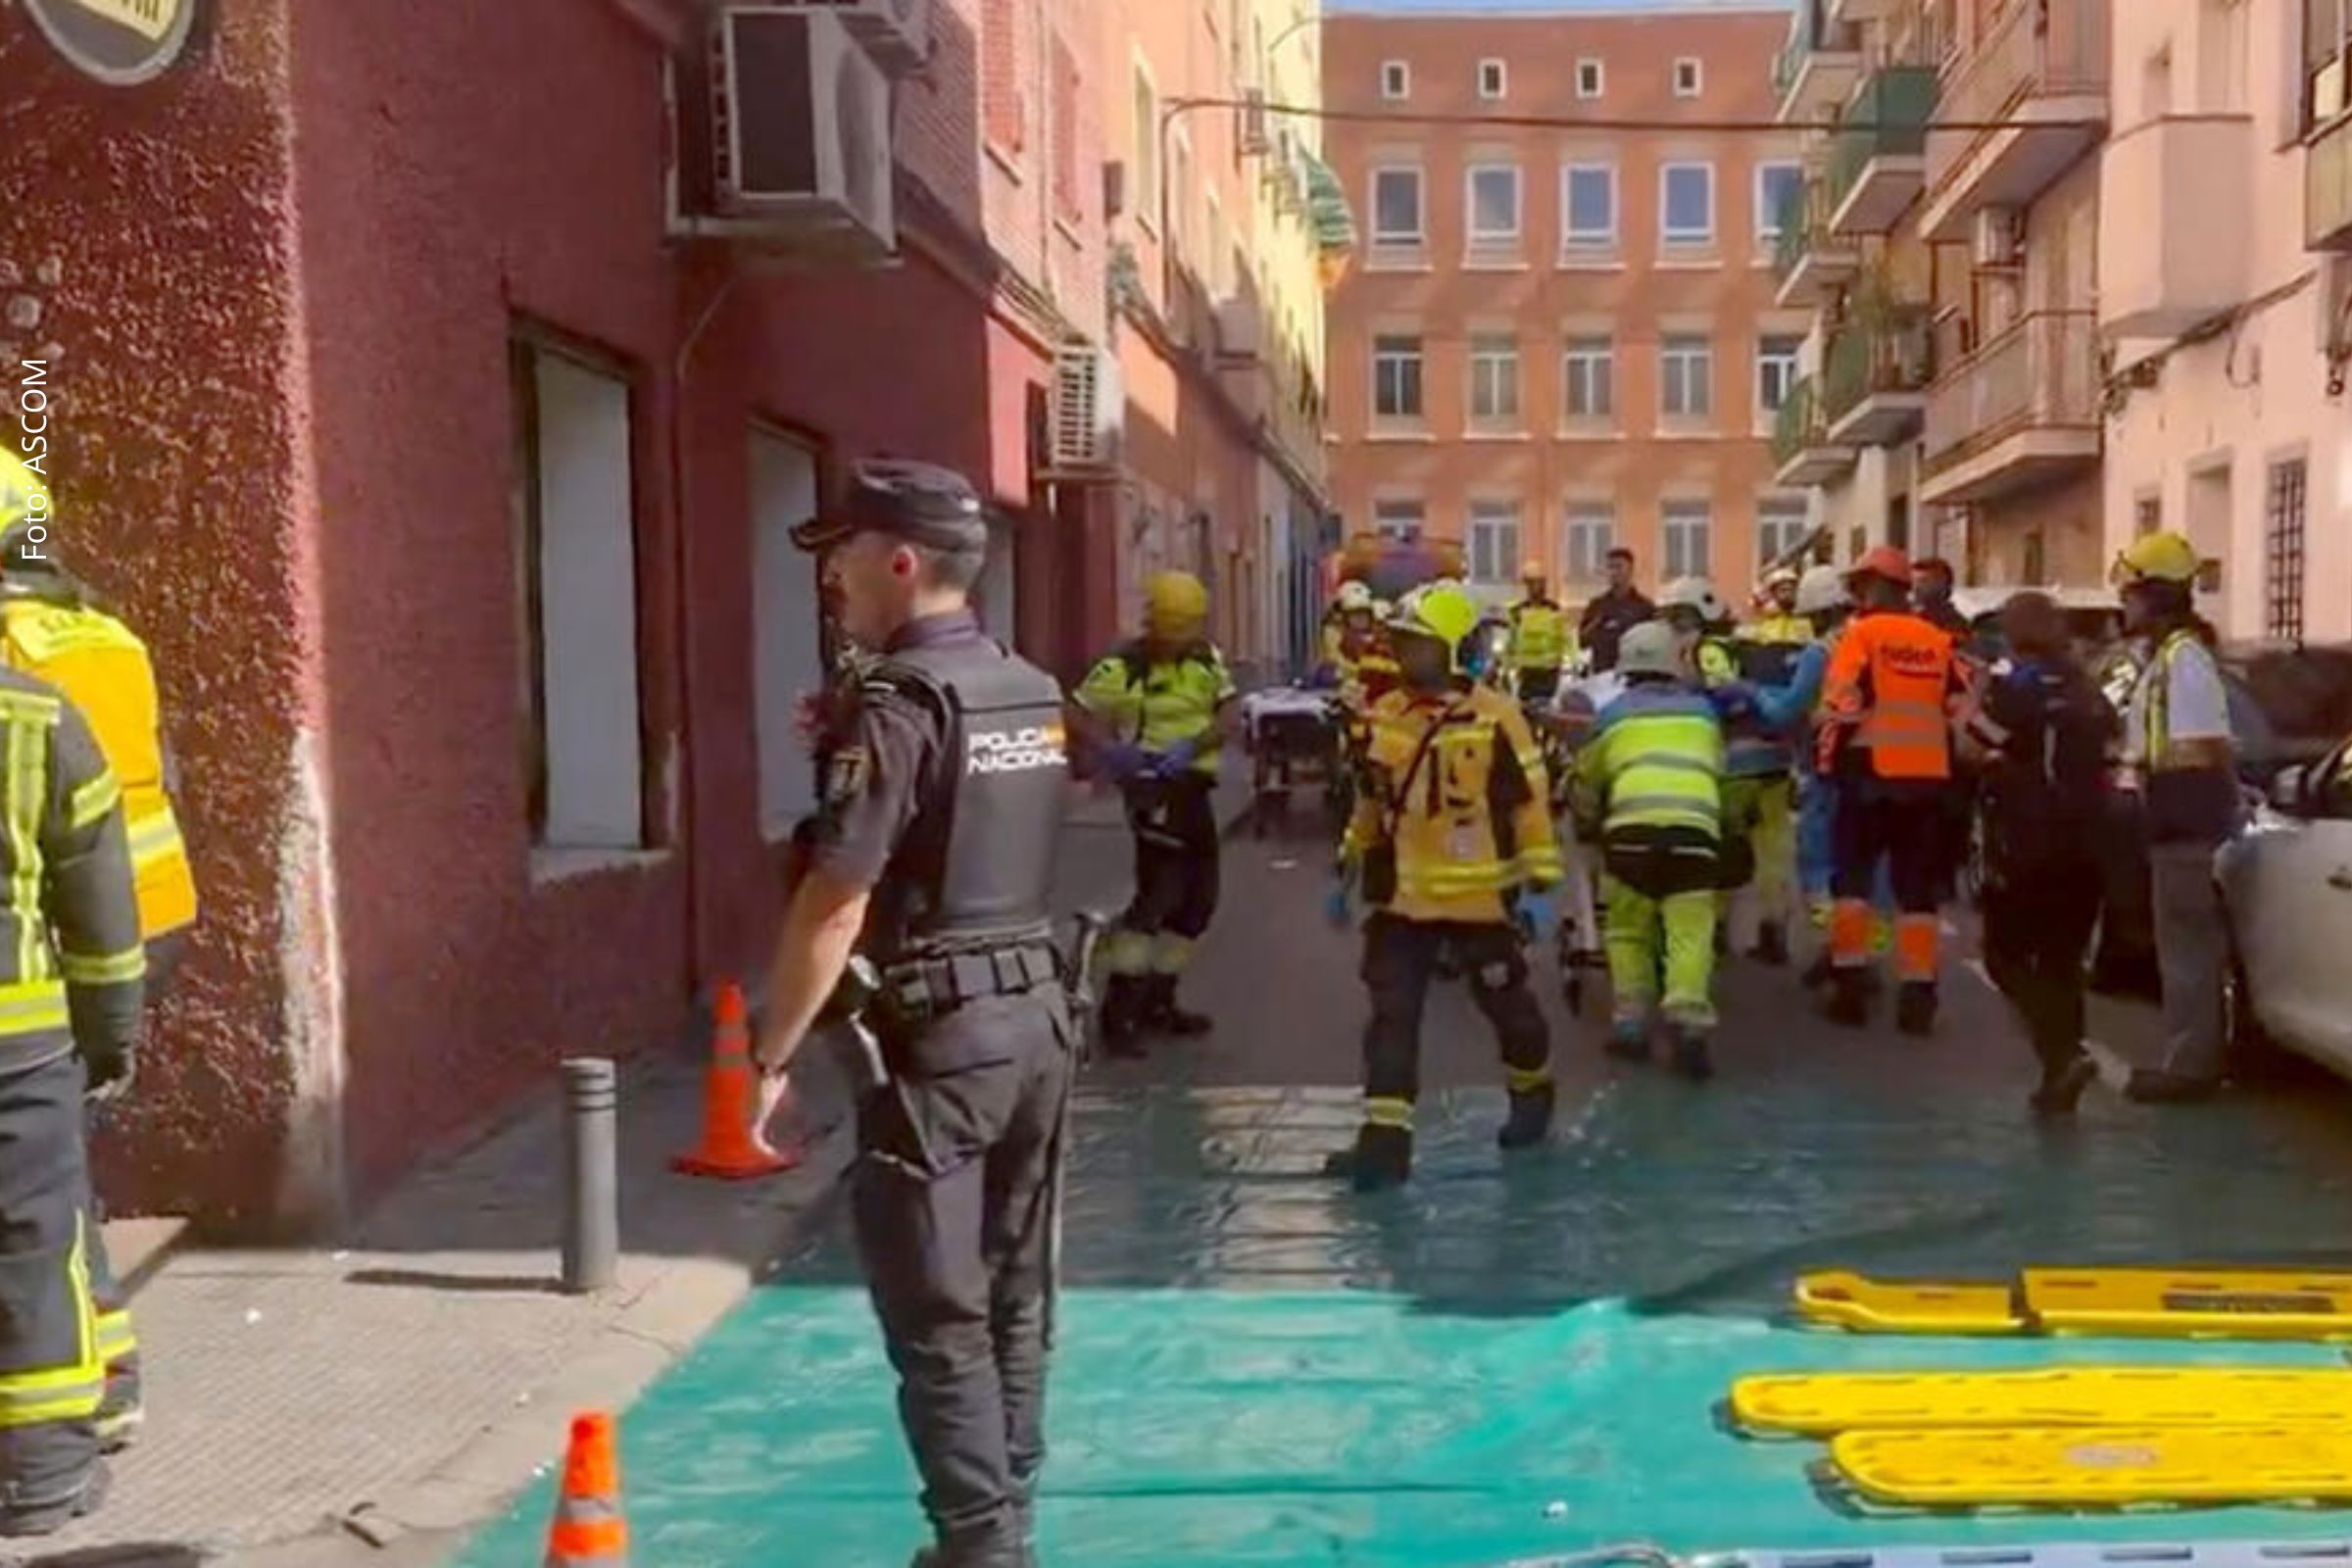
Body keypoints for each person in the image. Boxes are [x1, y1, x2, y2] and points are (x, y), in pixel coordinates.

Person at [754, 460, 1074, 1568]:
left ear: (899, 561)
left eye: (841, 554)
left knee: (939, 1310)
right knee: (1014, 1291)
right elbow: (973, 818)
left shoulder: (900, 706)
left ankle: (983, 1552)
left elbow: (835, 899)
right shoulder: (1024, 685)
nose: (830, 577)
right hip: (1036, 1021)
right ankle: (1009, 1527)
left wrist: (768, 1055)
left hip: (942, 1043)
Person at [0, 494, 196, 1451]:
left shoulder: (15, 659)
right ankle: (107, 1366)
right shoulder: (105, 634)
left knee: (44, 1176)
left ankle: (98, 1387)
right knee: (60, 1160)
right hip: (147, 909)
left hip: (71, 936)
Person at [1324, 584, 1561, 1192]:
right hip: (1403, 900)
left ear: (1455, 650)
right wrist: (1349, 861)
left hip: (1480, 903)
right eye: (1401, 642)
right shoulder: (1390, 716)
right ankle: (1384, 1144)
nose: (1404, 655)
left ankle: (1532, 1092)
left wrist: (1539, 887)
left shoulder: (1497, 719)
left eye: (1419, 645)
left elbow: (1528, 807)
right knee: (1391, 1018)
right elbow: (1376, 800)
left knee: (1510, 1011)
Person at [1073, 571, 1239, 1055]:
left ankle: (1160, 1000)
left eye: (1188, 626)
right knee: (1158, 897)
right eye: (1175, 626)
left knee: (1198, 902)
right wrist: (1111, 751)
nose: (1182, 636)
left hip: (1193, 787)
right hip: (1153, 792)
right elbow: (1074, 711)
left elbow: (1228, 711)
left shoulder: (1206, 659)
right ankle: (1119, 1012)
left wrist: (1197, 744)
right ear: (1157, 623)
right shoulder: (1125, 666)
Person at [1963, 592, 2114, 1118]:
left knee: (2004, 957)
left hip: (2028, 841)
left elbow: (1979, 745)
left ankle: (2062, 1054)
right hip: (2089, 843)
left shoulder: (2019, 687)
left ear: (2013, 632)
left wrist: (1972, 699)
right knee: (2063, 960)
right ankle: (2060, 1075)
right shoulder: (2088, 687)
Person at [2111, 531, 2240, 1104]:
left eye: (2132, 591)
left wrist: (2166, 809)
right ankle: (2190, 1056)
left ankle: (2191, 1067)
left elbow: (2200, 748)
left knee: (2187, 948)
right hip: (2174, 820)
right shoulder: (2169, 656)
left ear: (2157, 595)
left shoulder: (2183, 659)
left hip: (2183, 824)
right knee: (2181, 945)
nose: (2124, 602)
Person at [1818, 546, 1967, 1035]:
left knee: (1853, 883)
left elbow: (1841, 705)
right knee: (1916, 890)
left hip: (1868, 776)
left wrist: (1826, 765)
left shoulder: (1862, 635)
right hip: (1926, 783)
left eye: (1861, 585)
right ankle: (1918, 991)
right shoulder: (1936, 640)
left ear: (1876, 587)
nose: (1856, 594)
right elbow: (1962, 711)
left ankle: (1849, 985)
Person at [1573, 621, 1727, 1080]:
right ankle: (1688, 1026)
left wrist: (1586, 814)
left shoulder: (1614, 715)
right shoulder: (1703, 713)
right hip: (1695, 833)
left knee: (1626, 930)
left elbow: (1589, 778)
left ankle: (1631, 1025)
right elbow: (1719, 767)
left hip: (1630, 835)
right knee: (1690, 930)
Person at [1662, 577, 1792, 963]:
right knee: (1771, 848)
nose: (1674, 627)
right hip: (1772, 760)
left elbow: (1726, 692)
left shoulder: (1708, 651)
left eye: (1680, 618)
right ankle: (1773, 927)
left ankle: (1718, 928)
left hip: (1735, 764)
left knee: (1720, 845)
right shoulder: (1742, 647)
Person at [1505, 562, 1575, 705]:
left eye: (1540, 582)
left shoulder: (1554, 609)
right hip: (1526, 674)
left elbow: (1564, 638)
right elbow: (1511, 642)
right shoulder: (1517, 612)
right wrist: (1506, 668)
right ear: (1527, 585)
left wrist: (1570, 663)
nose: (1538, 587)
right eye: (1532, 583)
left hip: (1549, 674)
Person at [1579, 547, 1655, 674]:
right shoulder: (1597, 605)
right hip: (1603, 675)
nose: (1613, 572)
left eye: (1619, 567)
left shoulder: (1645, 607)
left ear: (1630, 570)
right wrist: (1597, 622)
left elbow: (1652, 644)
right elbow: (1583, 642)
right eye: (1610, 567)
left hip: (1633, 676)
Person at [1740, 567, 1812, 648]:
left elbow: (1805, 643)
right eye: (1783, 590)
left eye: (1792, 590)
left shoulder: (1801, 619)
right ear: (1773, 592)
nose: (1788, 594)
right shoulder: (1762, 618)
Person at [1911, 557, 1969, 638]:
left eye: (1924, 581)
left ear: (1942, 584)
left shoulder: (1953, 621)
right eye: (1914, 581)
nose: (1916, 587)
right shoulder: (1906, 614)